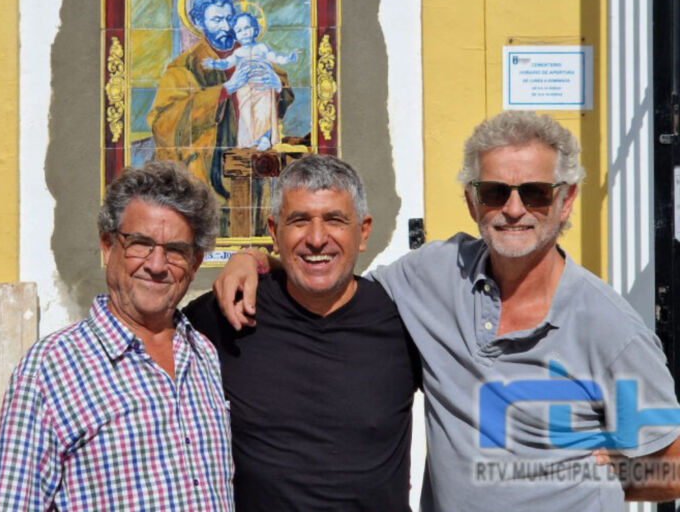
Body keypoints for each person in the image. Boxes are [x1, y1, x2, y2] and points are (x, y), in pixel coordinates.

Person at [216, 111, 680, 510]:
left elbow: (671, 467)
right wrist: (255, 259)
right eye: (495, 192)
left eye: (535, 192)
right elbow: (332, 280)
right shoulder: (435, 275)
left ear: (565, 200)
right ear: (472, 200)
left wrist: (580, 475)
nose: (514, 209)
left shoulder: (608, 328)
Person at [0, 161, 234, 511]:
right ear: (107, 246)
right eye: (140, 243)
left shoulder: (203, 353)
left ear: (195, 263)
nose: (157, 265)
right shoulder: (49, 370)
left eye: (175, 250)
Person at [186, 154, 421, 511]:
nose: (316, 238)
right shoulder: (229, 312)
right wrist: (248, 256)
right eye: (298, 221)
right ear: (273, 232)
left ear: (364, 232)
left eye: (335, 220)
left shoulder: (404, 319)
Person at [147, 0, 294, 206]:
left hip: (254, 159)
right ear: (198, 22)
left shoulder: (250, 51)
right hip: (208, 169)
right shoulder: (185, 66)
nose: (226, 27)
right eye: (216, 20)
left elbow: (284, 92)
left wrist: (276, 85)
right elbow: (163, 122)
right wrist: (224, 90)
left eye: (228, 18)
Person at [203, 12, 298, 151]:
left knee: (264, 112)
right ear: (235, 34)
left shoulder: (262, 48)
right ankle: (249, 140)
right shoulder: (238, 53)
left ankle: (265, 138)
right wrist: (215, 64)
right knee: (246, 114)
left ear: (255, 29)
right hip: (245, 89)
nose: (244, 33)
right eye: (239, 30)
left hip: (263, 87)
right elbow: (226, 63)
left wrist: (288, 59)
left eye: (247, 28)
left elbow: (276, 57)